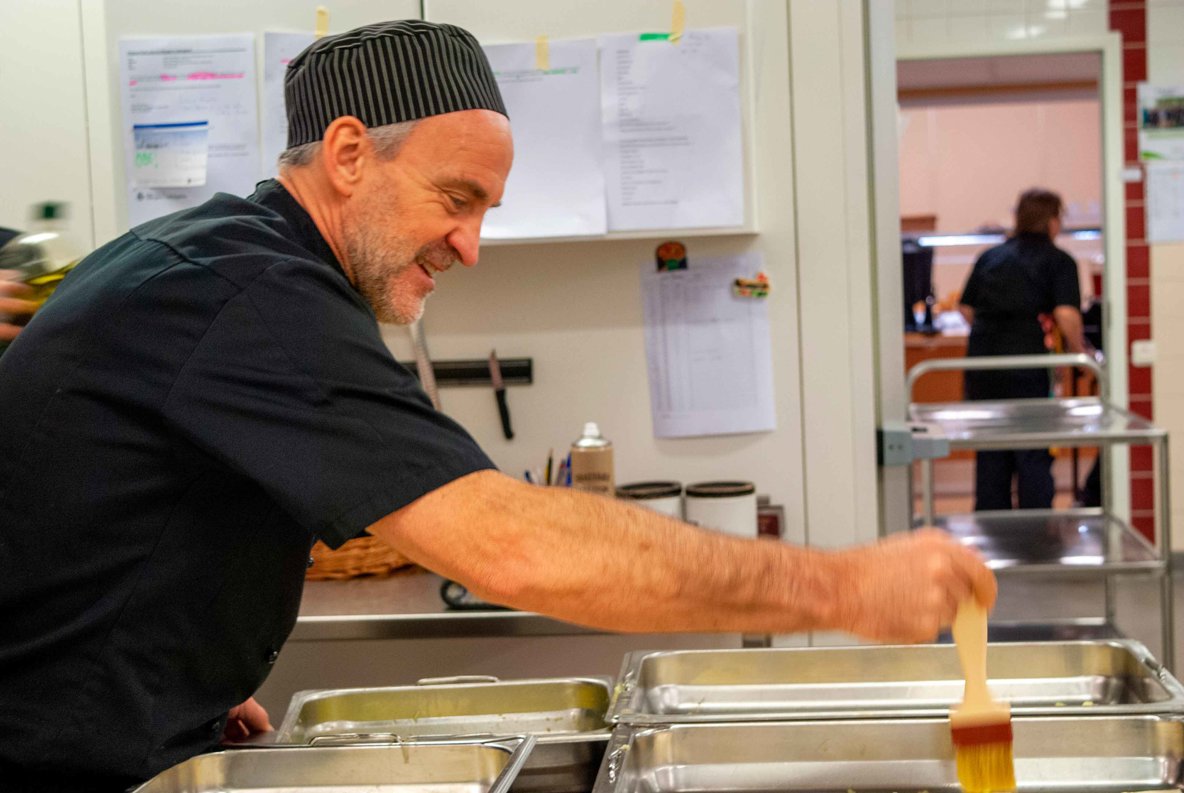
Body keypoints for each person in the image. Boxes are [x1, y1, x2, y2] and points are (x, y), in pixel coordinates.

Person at [0, 20, 996, 792]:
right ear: (349, 154)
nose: (470, 245)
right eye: (457, 197)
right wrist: (839, 589)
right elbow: (508, 543)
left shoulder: (231, 264)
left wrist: (178, 681)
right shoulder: (249, 296)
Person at [958, 188, 1087, 510]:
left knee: (991, 451)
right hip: (1029, 367)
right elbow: (1066, 314)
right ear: (1052, 221)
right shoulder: (1058, 261)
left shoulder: (991, 257)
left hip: (984, 368)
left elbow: (966, 308)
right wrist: (1081, 353)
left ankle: (991, 536)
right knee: (1032, 450)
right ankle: (1036, 534)